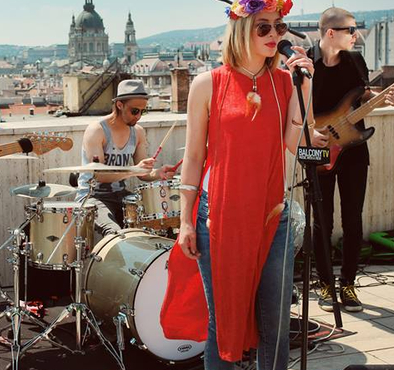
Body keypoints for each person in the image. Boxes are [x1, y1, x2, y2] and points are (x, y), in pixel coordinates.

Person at [161, 1, 327, 369]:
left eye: (279, 27)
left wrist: (307, 83)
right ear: (240, 30)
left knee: (277, 325)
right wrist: (185, 221)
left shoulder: (286, 82)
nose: (274, 35)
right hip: (219, 218)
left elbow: (297, 143)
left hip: (274, 214)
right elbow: (193, 157)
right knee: (223, 325)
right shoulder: (209, 84)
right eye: (263, 27)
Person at [310, 7, 394, 313]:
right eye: (351, 30)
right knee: (321, 223)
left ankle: (348, 284)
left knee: (353, 220)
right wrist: (310, 131)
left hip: (353, 150)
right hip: (318, 148)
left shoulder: (355, 60)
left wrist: (383, 97)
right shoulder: (305, 65)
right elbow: (291, 110)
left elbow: (362, 96)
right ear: (331, 33)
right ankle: (325, 284)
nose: (356, 35)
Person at [75, 79, 176, 237]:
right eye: (135, 111)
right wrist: (134, 170)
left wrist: (158, 173)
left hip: (121, 195)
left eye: (143, 111)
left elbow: (142, 173)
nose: (139, 116)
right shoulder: (97, 130)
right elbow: (100, 175)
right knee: (114, 233)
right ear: (119, 105)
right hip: (92, 196)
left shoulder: (138, 132)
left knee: (153, 226)